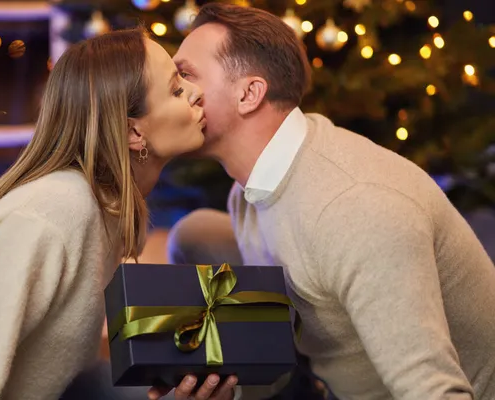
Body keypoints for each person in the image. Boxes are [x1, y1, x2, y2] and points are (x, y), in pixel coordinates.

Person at [155, 3, 495, 400]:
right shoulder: (248, 188)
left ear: (249, 94)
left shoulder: (356, 210)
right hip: (325, 378)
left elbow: (437, 392)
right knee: (194, 233)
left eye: (185, 76)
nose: (173, 91)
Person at [0, 28, 211, 400]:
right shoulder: (54, 212)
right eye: (176, 90)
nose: (196, 93)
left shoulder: (106, 207)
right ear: (132, 132)